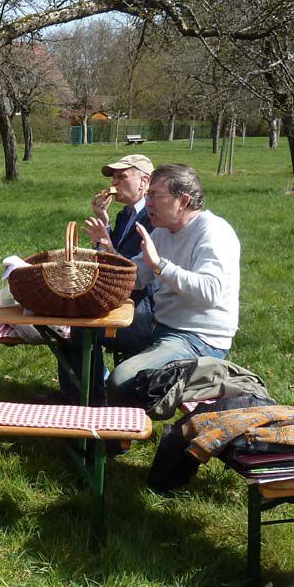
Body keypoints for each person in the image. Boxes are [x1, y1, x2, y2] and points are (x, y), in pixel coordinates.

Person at [85, 163, 241, 406]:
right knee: (82, 329)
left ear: (184, 200)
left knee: (122, 380)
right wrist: (106, 255)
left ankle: (115, 440)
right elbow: (136, 278)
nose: (148, 203)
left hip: (198, 339)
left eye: (155, 196)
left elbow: (210, 293)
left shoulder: (214, 232)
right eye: (148, 196)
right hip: (158, 327)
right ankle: (87, 403)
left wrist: (160, 265)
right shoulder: (162, 232)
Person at [54, 154, 156, 402]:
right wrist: (104, 224)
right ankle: (82, 393)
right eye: (113, 177)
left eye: (122, 176)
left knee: (80, 329)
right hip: (120, 299)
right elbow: (106, 264)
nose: (115, 183)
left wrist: (108, 244)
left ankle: (90, 401)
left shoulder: (152, 219)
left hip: (142, 311)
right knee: (69, 320)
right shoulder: (125, 215)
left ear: (144, 182)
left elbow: (133, 274)